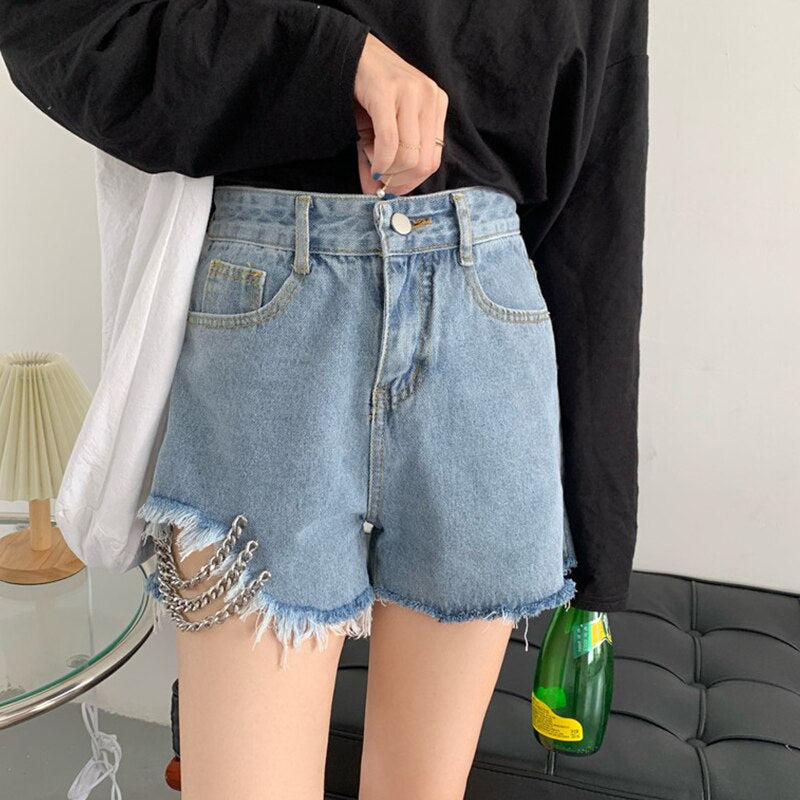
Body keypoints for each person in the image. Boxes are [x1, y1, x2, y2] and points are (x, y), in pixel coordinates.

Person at [0, 2, 649, 797]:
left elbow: (599, 191)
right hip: (270, 315)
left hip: (489, 329)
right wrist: (326, 62)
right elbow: (54, 27)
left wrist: (602, 550)